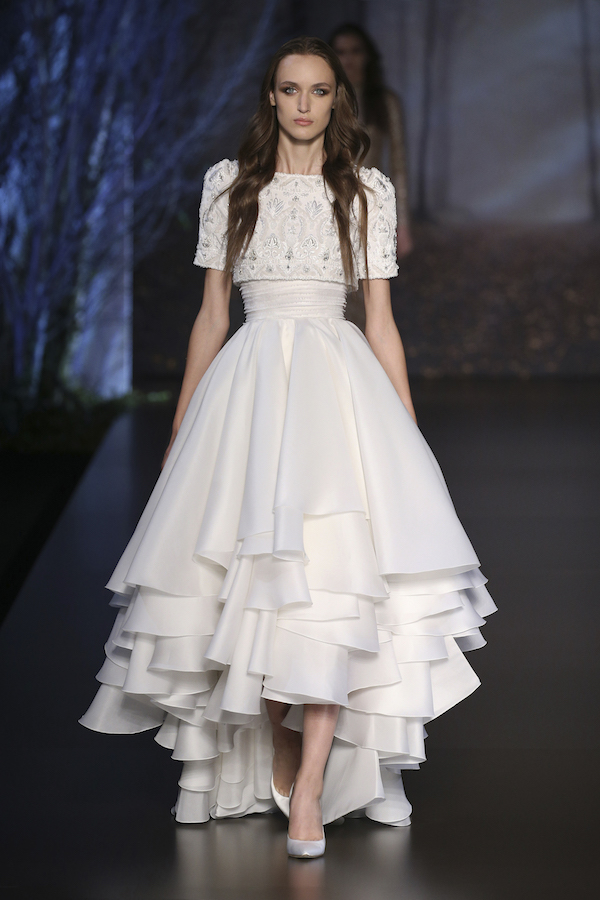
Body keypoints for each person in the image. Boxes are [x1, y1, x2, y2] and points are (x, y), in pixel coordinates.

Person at [79, 36, 496, 860]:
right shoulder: (229, 187)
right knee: (249, 583)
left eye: (318, 91)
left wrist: (406, 435)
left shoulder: (366, 191)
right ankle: (276, 747)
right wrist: (181, 422)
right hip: (250, 390)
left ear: (338, 100)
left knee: (337, 585)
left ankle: (311, 786)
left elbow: (379, 322)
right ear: (270, 99)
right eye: (289, 90)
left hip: (339, 394)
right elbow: (209, 316)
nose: (304, 104)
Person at [329, 22, 413, 332]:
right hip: (326, 205)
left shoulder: (385, 103)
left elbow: (400, 164)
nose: (348, 58)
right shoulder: (325, 101)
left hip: (369, 211)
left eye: (355, 51)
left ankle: (362, 375)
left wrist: (402, 224)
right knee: (331, 298)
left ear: (367, 56)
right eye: (340, 52)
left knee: (370, 301)